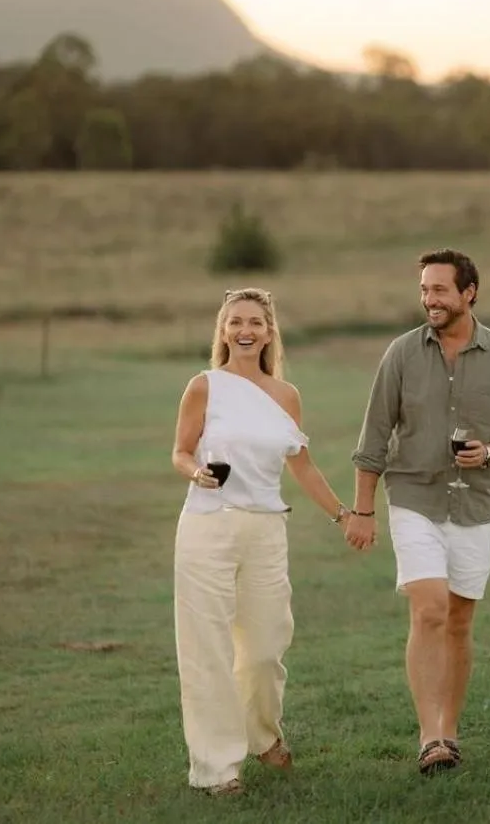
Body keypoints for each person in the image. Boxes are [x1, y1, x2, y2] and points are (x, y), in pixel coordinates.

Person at [343, 249, 490, 776]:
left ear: (469, 292)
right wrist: (362, 511)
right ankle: (429, 738)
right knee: (428, 609)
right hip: (414, 498)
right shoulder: (401, 355)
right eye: (425, 290)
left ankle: (450, 729)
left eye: (440, 290)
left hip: (476, 504)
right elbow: (373, 438)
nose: (429, 299)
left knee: (458, 621)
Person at [169, 287, 356, 796]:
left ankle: (262, 735)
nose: (245, 331)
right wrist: (197, 472)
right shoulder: (204, 386)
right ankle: (217, 768)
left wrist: (344, 514)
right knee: (206, 647)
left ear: (270, 331)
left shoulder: (286, 395)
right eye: (235, 322)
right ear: (223, 330)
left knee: (266, 646)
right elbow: (181, 452)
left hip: (267, 529)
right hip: (209, 525)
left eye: (255, 322)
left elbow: (303, 465)